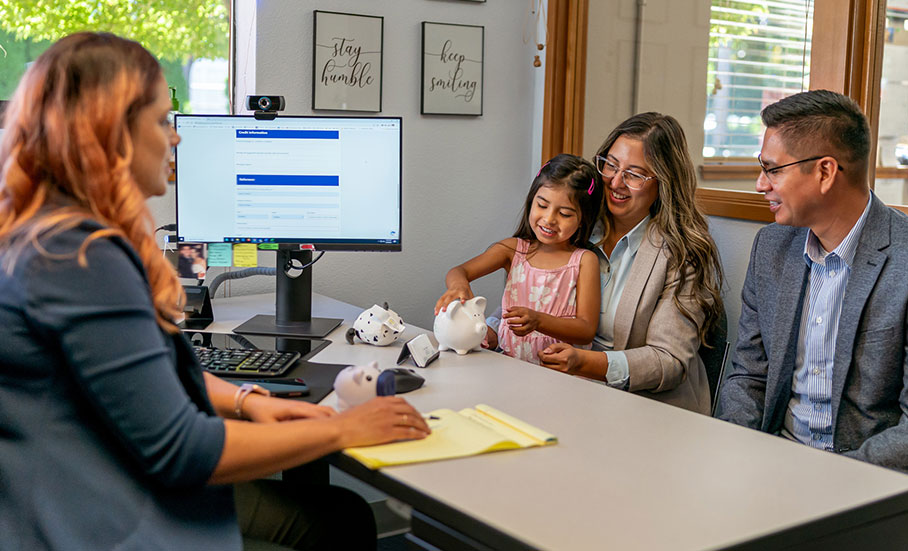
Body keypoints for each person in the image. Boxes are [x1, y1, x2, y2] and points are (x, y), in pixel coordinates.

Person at [0, 32, 430, 550]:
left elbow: (150, 377)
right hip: (106, 517)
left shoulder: (45, 236)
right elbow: (183, 450)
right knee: (342, 520)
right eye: (162, 120)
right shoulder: (81, 259)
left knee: (340, 516)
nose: (176, 137)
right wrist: (344, 429)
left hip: (84, 484)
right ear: (110, 133)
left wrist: (247, 399)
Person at [715, 89, 908, 551]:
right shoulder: (771, 249)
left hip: (877, 497)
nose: (761, 184)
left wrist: (818, 483)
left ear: (825, 171)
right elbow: (747, 374)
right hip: (770, 475)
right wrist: (746, 461)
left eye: (771, 169)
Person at [498, 113, 723, 414]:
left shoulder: (682, 254)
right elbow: (527, 294)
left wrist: (586, 363)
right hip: (556, 391)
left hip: (643, 408)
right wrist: (489, 328)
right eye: (611, 165)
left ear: (664, 183)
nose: (615, 182)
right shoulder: (573, 225)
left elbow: (669, 361)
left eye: (635, 174)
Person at [435, 153, 602, 365]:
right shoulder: (513, 250)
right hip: (510, 368)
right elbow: (459, 271)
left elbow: (586, 330)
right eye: (542, 205)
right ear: (532, 201)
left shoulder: (584, 261)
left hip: (560, 375)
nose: (549, 219)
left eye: (565, 214)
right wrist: (459, 286)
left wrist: (539, 321)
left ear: (582, 220)